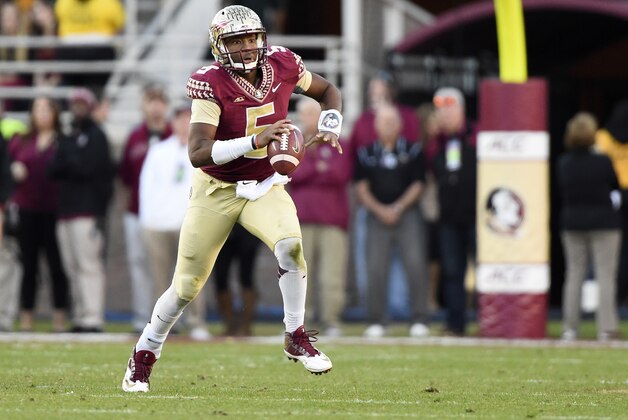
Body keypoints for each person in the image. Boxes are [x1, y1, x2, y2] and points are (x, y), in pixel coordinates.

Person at [122, 5, 342, 392]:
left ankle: (295, 334)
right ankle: (143, 356)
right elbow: (198, 151)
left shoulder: (283, 63)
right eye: (236, 41)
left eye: (251, 38)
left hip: (264, 185)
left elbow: (328, 91)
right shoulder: (210, 82)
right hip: (217, 189)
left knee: (291, 247)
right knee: (186, 287)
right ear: (218, 47)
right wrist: (255, 141)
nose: (246, 48)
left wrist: (329, 124)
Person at [354, 103, 430, 338]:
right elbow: (361, 187)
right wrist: (379, 210)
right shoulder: (366, 153)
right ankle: (377, 320)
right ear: (376, 125)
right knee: (375, 267)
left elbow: (419, 183)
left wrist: (397, 207)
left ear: (400, 125)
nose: (388, 125)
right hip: (376, 215)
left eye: (392, 121)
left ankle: (419, 318)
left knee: (416, 264)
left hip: (407, 214)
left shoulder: (414, 151)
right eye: (384, 121)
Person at [138, 103, 210, 341]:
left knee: (194, 277)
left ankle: (197, 321)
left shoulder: (204, 151)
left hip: (190, 224)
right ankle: (164, 325)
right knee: (161, 278)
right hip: (158, 224)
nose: (183, 124)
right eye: (180, 119)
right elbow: (146, 187)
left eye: (189, 119)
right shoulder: (159, 150)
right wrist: (148, 220)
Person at [48, 88, 115, 333]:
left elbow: (88, 169)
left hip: (87, 211)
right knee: (71, 266)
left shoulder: (96, 135)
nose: (77, 108)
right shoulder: (69, 136)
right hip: (66, 209)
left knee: (88, 264)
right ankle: (80, 314)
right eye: (73, 104)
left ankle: (93, 316)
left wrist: (69, 160)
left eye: (81, 104)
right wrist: (69, 160)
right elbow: (53, 169)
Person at [289, 97, 352, 337]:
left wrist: (311, 166)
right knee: (300, 275)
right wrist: (318, 166)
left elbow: (340, 174)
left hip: (332, 219)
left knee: (331, 275)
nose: (308, 119)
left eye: (313, 114)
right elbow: (293, 174)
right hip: (301, 219)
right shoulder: (295, 142)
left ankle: (331, 320)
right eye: (304, 114)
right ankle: (298, 323)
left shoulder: (338, 141)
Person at [558, 112, 621, 341]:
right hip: (604, 224)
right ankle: (606, 328)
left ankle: (570, 328)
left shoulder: (564, 163)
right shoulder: (602, 161)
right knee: (605, 275)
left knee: (574, 274)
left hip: (572, 223)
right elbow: (614, 186)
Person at [8, 97, 70, 332]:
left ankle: (59, 317)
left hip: (55, 210)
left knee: (57, 265)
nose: (42, 114)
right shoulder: (22, 140)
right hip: (27, 210)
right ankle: (26, 317)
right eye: (37, 109)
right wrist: (14, 170)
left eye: (46, 109)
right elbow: (8, 165)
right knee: (29, 266)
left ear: (54, 113)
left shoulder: (62, 141)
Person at [119, 84, 172, 333]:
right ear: (143, 105)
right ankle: (142, 317)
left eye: (159, 101)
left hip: (169, 215)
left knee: (169, 267)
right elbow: (126, 177)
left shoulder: (174, 135)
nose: (155, 106)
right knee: (139, 264)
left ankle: (169, 318)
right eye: (150, 101)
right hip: (137, 211)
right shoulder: (135, 137)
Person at [425, 87, 477, 337]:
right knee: (452, 271)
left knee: (484, 269)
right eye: (440, 112)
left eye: (449, 110)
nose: (444, 116)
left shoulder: (476, 136)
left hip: (477, 215)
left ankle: (489, 320)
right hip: (449, 217)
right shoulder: (437, 143)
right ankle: (456, 323)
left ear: (461, 110)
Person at [54, 0, 126, 96]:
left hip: (99, 52)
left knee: (95, 91)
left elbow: (119, 28)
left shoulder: (110, 3)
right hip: (70, 53)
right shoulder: (63, 3)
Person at [595, 99, 628, 305]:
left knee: (613, 251)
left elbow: (596, 168)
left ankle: (614, 299)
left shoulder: (602, 137)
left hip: (612, 196)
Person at [213, 223, 261, 337]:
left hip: (247, 228)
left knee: (246, 277)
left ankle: (246, 325)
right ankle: (229, 324)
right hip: (222, 228)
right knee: (220, 278)